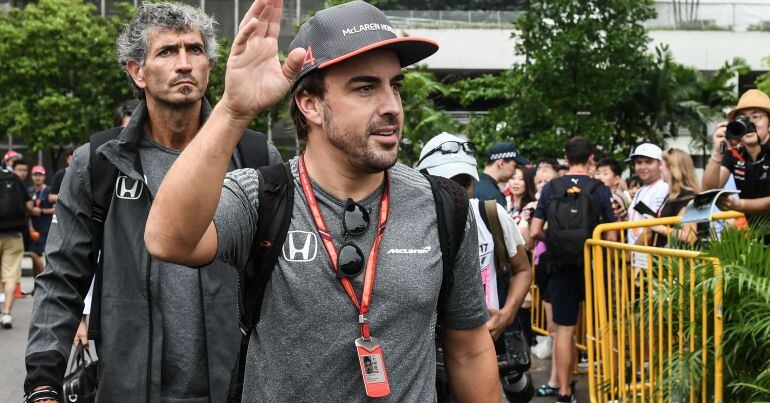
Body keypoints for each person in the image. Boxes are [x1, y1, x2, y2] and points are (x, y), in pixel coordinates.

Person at [144, 1, 499, 401]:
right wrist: (233, 111)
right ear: (310, 104)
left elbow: (469, 350)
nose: (391, 107)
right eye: (365, 87)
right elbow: (167, 239)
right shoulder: (263, 197)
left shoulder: (443, 205)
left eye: (394, 85)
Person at [24, 3, 282, 402]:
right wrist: (42, 381)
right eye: (167, 51)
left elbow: (286, 284)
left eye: (195, 50)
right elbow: (61, 279)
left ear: (211, 66)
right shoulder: (98, 162)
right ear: (136, 71)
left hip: (237, 388)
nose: (185, 63)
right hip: (128, 387)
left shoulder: (256, 158)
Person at [417, 132, 532, 400]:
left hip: (485, 348)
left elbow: (523, 269)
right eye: (445, 182)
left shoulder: (489, 214)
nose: (455, 193)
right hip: (429, 361)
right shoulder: (409, 226)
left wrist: (507, 313)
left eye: (464, 182)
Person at [530, 137, 617, 403]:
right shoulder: (600, 188)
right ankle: (610, 388)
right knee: (604, 325)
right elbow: (611, 237)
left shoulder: (551, 187)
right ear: (591, 157)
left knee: (564, 330)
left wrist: (557, 242)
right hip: (593, 267)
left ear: (565, 158)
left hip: (560, 266)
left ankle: (565, 392)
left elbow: (535, 231)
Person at [703, 89, 770, 223]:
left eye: (756, 117)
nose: (749, 123)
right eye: (742, 119)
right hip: (758, 236)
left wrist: (739, 205)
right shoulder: (735, 154)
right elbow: (708, 192)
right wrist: (717, 152)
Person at [0, 160, 33, 328]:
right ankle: (6, 314)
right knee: (11, 275)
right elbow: (29, 206)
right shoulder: (14, 179)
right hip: (14, 234)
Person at [645, 149, 699, 246]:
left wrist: (657, 227)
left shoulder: (686, 196)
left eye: (662, 164)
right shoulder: (673, 195)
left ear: (672, 168)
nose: (659, 168)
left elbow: (690, 236)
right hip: (666, 258)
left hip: (678, 259)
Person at [626, 143, 669, 247]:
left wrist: (631, 254)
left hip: (648, 256)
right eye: (639, 162)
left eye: (649, 162)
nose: (643, 167)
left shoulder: (663, 188)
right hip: (638, 255)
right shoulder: (641, 190)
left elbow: (650, 230)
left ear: (660, 164)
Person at [474, 142, 529, 207]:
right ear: (501, 164)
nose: (514, 172)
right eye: (514, 166)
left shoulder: (472, 184)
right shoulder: (493, 196)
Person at [28, 166, 55, 278]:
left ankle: (46, 278)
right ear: (32, 177)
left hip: (45, 226)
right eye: (35, 175)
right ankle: (37, 286)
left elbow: (57, 208)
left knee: (33, 253)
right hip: (32, 226)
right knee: (33, 256)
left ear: (44, 177)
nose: (38, 177)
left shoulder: (49, 191)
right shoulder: (29, 191)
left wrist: (42, 211)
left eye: (40, 175)